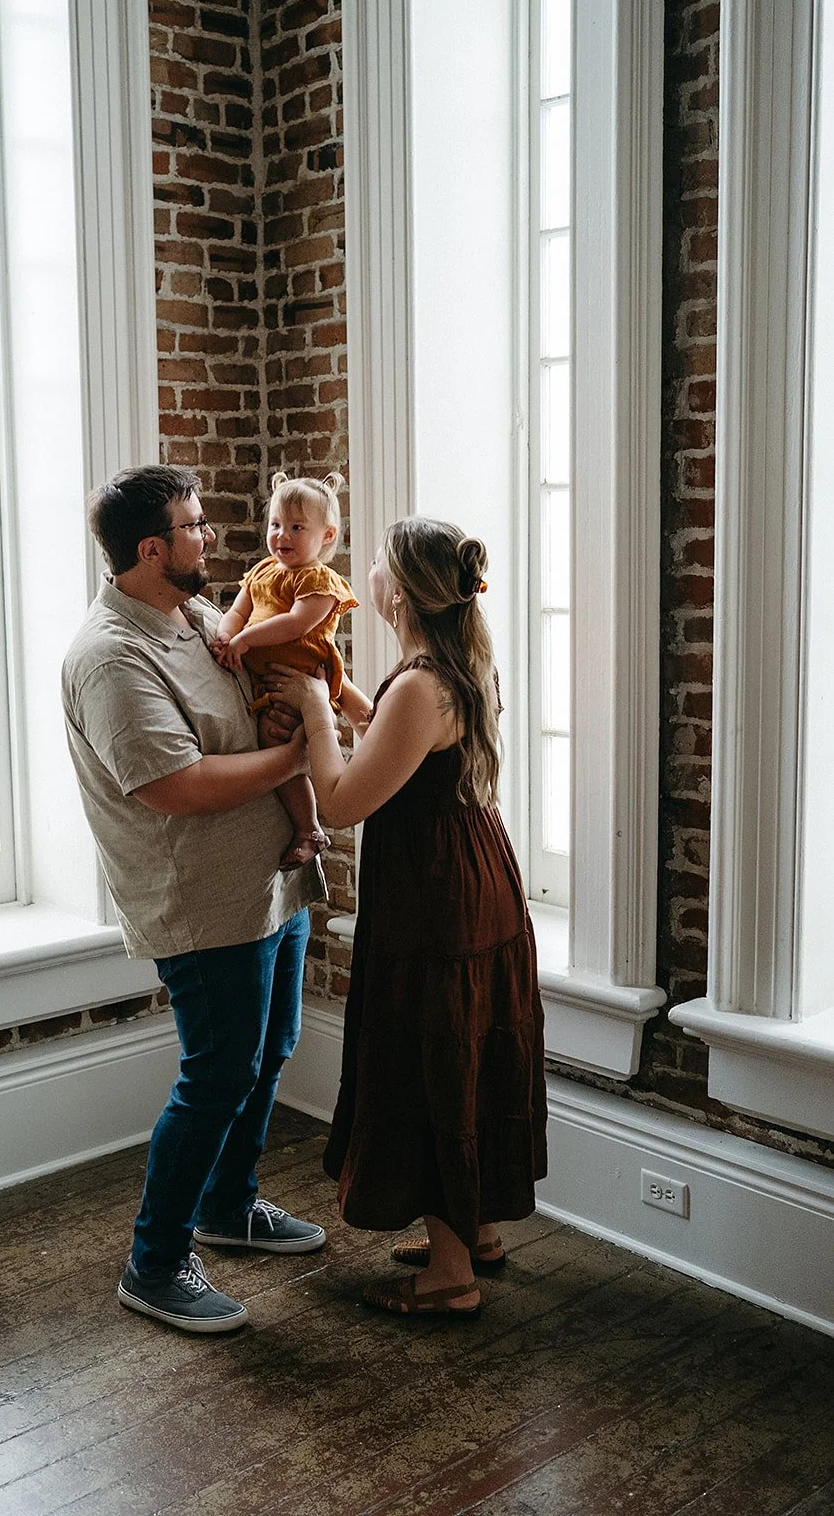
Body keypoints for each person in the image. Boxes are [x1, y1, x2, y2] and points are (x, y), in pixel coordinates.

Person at [62, 465, 327, 1336]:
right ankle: (154, 1260)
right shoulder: (110, 655)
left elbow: (250, 704)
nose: (210, 536)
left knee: (269, 1049)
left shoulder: (199, 616)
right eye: (195, 525)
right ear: (152, 548)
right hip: (200, 901)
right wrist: (296, 760)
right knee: (215, 1075)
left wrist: (289, 722)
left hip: (268, 884)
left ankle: (228, 1206)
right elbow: (176, 786)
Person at [277, 516, 548, 1317]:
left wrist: (312, 712)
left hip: (432, 895)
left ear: (398, 592)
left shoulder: (420, 685)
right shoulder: (462, 666)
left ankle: (449, 1277)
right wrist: (341, 697)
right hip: (478, 874)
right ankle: (479, 1232)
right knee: (469, 1051)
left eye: (376, 567)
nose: (366, 574)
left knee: (431, 1063)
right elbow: (397, 742)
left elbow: (343, 797)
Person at [211, 472, 358, 867]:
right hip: (270, 684)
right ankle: (300, 826)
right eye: (275, 525)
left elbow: (296, 623)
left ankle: (308, 827)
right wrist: (226, 635)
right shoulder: (262, 572)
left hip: (302, 684)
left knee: (279, 747)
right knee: (268, 746)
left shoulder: (319, 580)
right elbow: (238, 612)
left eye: (296, 527)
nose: (282, 536)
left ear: (326, 536)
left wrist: (246, 640)